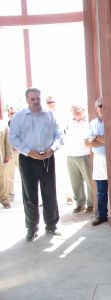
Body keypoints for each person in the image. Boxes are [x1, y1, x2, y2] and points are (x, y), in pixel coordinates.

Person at [9, 87, 63, 241]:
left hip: (47, 158)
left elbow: (59, 135)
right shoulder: (19, 117)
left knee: (50, 192)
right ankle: (32, 228)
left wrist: (52, 149)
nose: (36, 101)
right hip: (28, 159)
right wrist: (28, 151)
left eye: (38, 98)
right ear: (27, 100)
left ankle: (52, 225)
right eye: (32, 99)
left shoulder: (49, 115)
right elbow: (13, 138)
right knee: (30, 195)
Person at [65, 105, 94, 213]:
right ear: (71, 112)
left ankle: (91, 204)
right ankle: (80, 203)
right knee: (75, 182)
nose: (76, 112)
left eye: (79, 110)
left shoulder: (88, 122)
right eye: (74, 110)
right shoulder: (68, 123)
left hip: (85, 154)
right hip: (71, 155)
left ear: (83, 110)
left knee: (89, 181)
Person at [86, 97, 108, 226]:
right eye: (100, 105)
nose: (102, 108)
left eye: (104, 105)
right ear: (96, 108)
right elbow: (88, 143)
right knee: (101, 191)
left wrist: (96, 138)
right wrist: (102, 139)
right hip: (99, 160)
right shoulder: (92, 123)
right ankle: (102, 216)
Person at [5, 106, 19, 201]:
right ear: (8, 115)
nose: (12, 114)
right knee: (9, 174)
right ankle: (10, 194)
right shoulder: (6, 124)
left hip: (20, 152)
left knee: (25, 174)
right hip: (10, 153)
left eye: (14, 112)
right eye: (11, 113)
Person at [0, 118, 12, 209]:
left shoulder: (3, 124)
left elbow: (8, 142)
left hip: (1, 157)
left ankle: (4, 200)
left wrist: (8, 155)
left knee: (2, 179)